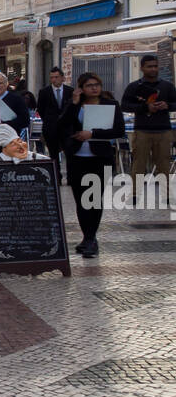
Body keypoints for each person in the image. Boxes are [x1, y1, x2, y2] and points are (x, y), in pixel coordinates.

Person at [57, 71, 125, 258]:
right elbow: (62, 124)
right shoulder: (75, 105)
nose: (94, 88)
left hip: (99, 157)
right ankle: (87, 237)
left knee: (93, 199)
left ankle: (90, 238)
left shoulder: (110, 104)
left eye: (96, 84)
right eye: (89, 85)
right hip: (78, 157)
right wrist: (74, 102)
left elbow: (118, 130)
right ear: (81, 88)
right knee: (80, 200)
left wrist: (93, 134)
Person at [121, 55, 176, 205]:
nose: (153, 69)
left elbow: (175, 102)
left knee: (164, 164)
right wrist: (145, 107)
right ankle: (134, 194)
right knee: (139, 164)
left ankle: (166, 195)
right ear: (142, 68)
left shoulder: (167, 86)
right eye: (149, 66)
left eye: (155, 66)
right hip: (142, 130)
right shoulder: (134, 86)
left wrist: (167, 106)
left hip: (163, 130)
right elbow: (124, 105)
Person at [0, 73, 30, 158]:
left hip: (11, 143)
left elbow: (25, 120)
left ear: (6, 84)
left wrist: (2, 126)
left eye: (0, 83)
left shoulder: (16, 99)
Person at [36, 66, 72, 182]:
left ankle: (71, 177)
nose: (54, 80)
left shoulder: (70, 91)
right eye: (51, 77)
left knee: (69, 153)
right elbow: (41, 109)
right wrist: (49, 121)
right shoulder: (44, 92)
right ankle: (57, 177)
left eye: (56, 77)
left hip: (67, 129)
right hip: (51, 128)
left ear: (62, 78)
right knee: (53, 154)